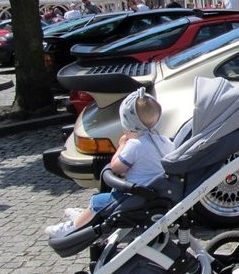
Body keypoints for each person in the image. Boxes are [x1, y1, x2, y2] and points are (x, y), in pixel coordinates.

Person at [44, 89, 174, 237]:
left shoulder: (135, 144)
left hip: (136, 196)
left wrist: (121, 146)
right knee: (102, 201)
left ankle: (73, 227)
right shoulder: (164, 141)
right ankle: (85, 215)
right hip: (156, 193)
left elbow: (116, 167)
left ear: (128, 123)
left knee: (97, 201)